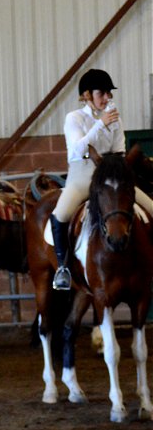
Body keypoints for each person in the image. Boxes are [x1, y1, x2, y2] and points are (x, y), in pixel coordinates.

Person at [50, 69, 153, 290]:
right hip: (82, 174)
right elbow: (78, 149)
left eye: (109, 94)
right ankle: (62, 269)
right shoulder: (74, 118)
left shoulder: (115, 119)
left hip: (110, 176)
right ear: (87, 95)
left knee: (151, 207)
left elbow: (119, 150)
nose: (107, 98)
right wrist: (101, 125)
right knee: (60, 214)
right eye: (102, 93)